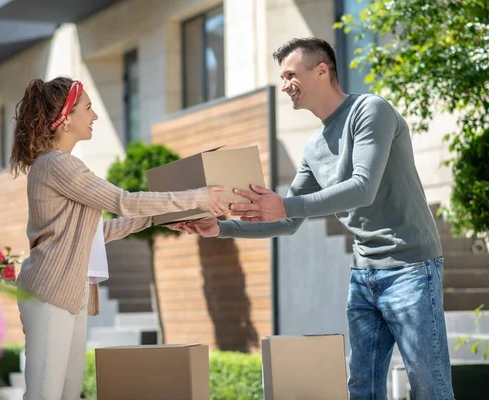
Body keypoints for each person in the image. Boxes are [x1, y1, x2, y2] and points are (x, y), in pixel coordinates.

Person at [171, 37, 454, 400]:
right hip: (363, 275)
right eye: (282, 77)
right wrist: (220, 228)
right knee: (362, 387)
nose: (285, 84)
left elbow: (362, 187)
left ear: (322, 70)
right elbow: (287, 221)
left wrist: (286, 205)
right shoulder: (313, 146)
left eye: (291, 74)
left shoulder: (370, 111)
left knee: (429, 387)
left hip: (411, 267)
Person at [9, 76, 231, 400]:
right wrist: (197, 197)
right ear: (65, 118)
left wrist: (157, 217)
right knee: (45, 395)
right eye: (88, 108)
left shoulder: (64, 165)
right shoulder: (57, 165)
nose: (95, 116)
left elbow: (97, 234)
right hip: (49, 292)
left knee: (69, 394)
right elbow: (123, 202)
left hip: (71, 293)